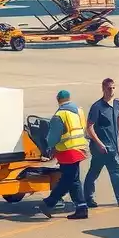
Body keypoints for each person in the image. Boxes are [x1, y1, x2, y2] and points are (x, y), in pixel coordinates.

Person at [84, 78, 119, 208]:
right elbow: (89, 127)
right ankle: (91, 198)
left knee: (111, 170)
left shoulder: (117, 104)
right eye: (109, 88)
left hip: (113, 146)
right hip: (100, 147)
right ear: (103, 89)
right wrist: (99, 143)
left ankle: (118, 197)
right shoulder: (97, 107)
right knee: (98, 171)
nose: (111, 90)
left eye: (113, 88)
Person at [37, 89, 89, 220]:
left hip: (67, 151)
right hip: (80, 148)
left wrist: (47, 147)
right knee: (74, 179)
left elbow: (53, 138)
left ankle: (49, 202)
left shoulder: (60, 115)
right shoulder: (79, 111)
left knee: (67, 180)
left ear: (58, 100)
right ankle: (82, 207)